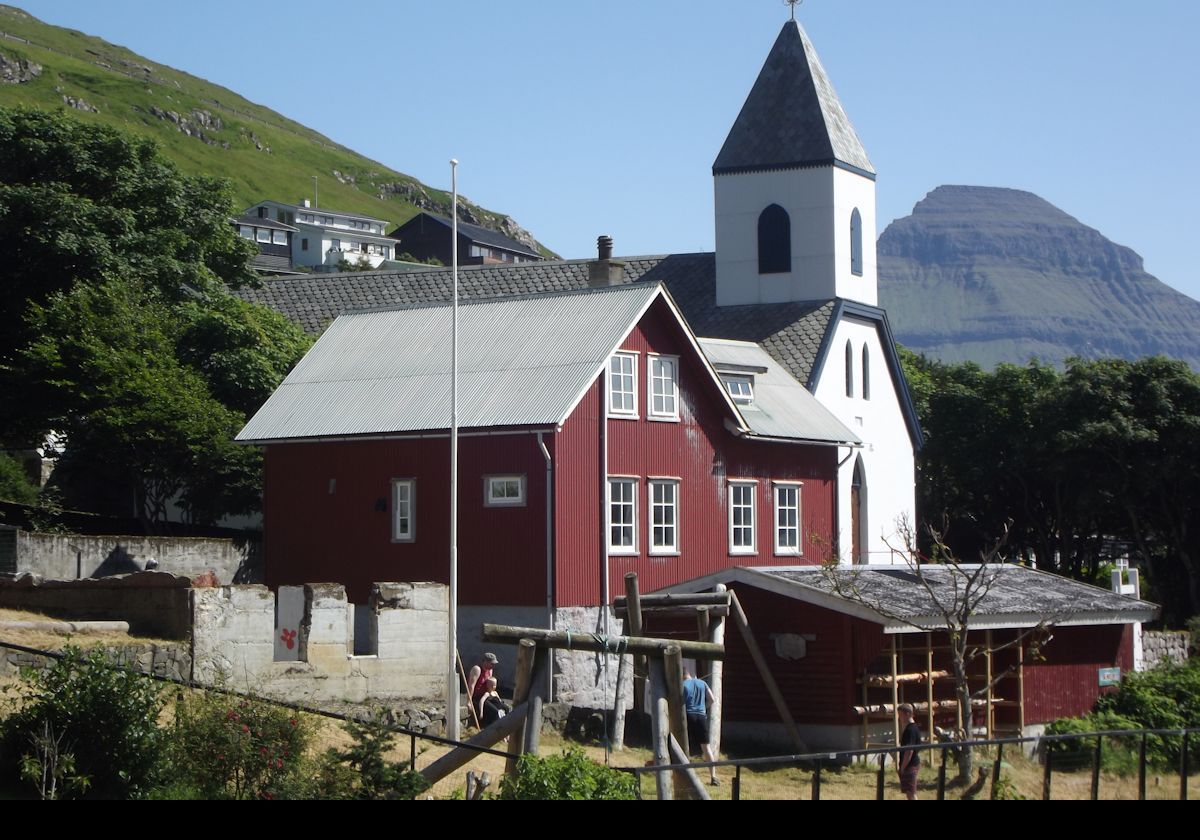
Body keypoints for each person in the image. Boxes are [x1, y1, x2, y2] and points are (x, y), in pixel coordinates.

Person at [681, 666, 719, 786]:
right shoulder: (702, 683)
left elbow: (680, 703)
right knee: (706, 748)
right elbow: (712, 700)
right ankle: (713, 777)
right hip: (701, 716)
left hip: (688, 715)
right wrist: (703, 708)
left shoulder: (683, 685)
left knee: (683, 746)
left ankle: (685, 775)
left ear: (681, 675)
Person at [896, 703, 922, 800]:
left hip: (910, 765)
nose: (899, 718)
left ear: (907, 714)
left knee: (911, 793)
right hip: (910, 764)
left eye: (900, 715)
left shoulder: (911, 730)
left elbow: (909, 750)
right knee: (908, 792)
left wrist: (903, 767)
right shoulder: (911, 728)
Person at [466, 652, 499, 725]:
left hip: (486, 695)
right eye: (491, 663)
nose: (493, 666)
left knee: (504, 708)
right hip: (477, 696)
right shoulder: (477, 669)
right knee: (494, 711)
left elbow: (490, 684)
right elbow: (471, 685)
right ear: (485, 662)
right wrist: (469, 701)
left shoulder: (490, 670)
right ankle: (491, 729)